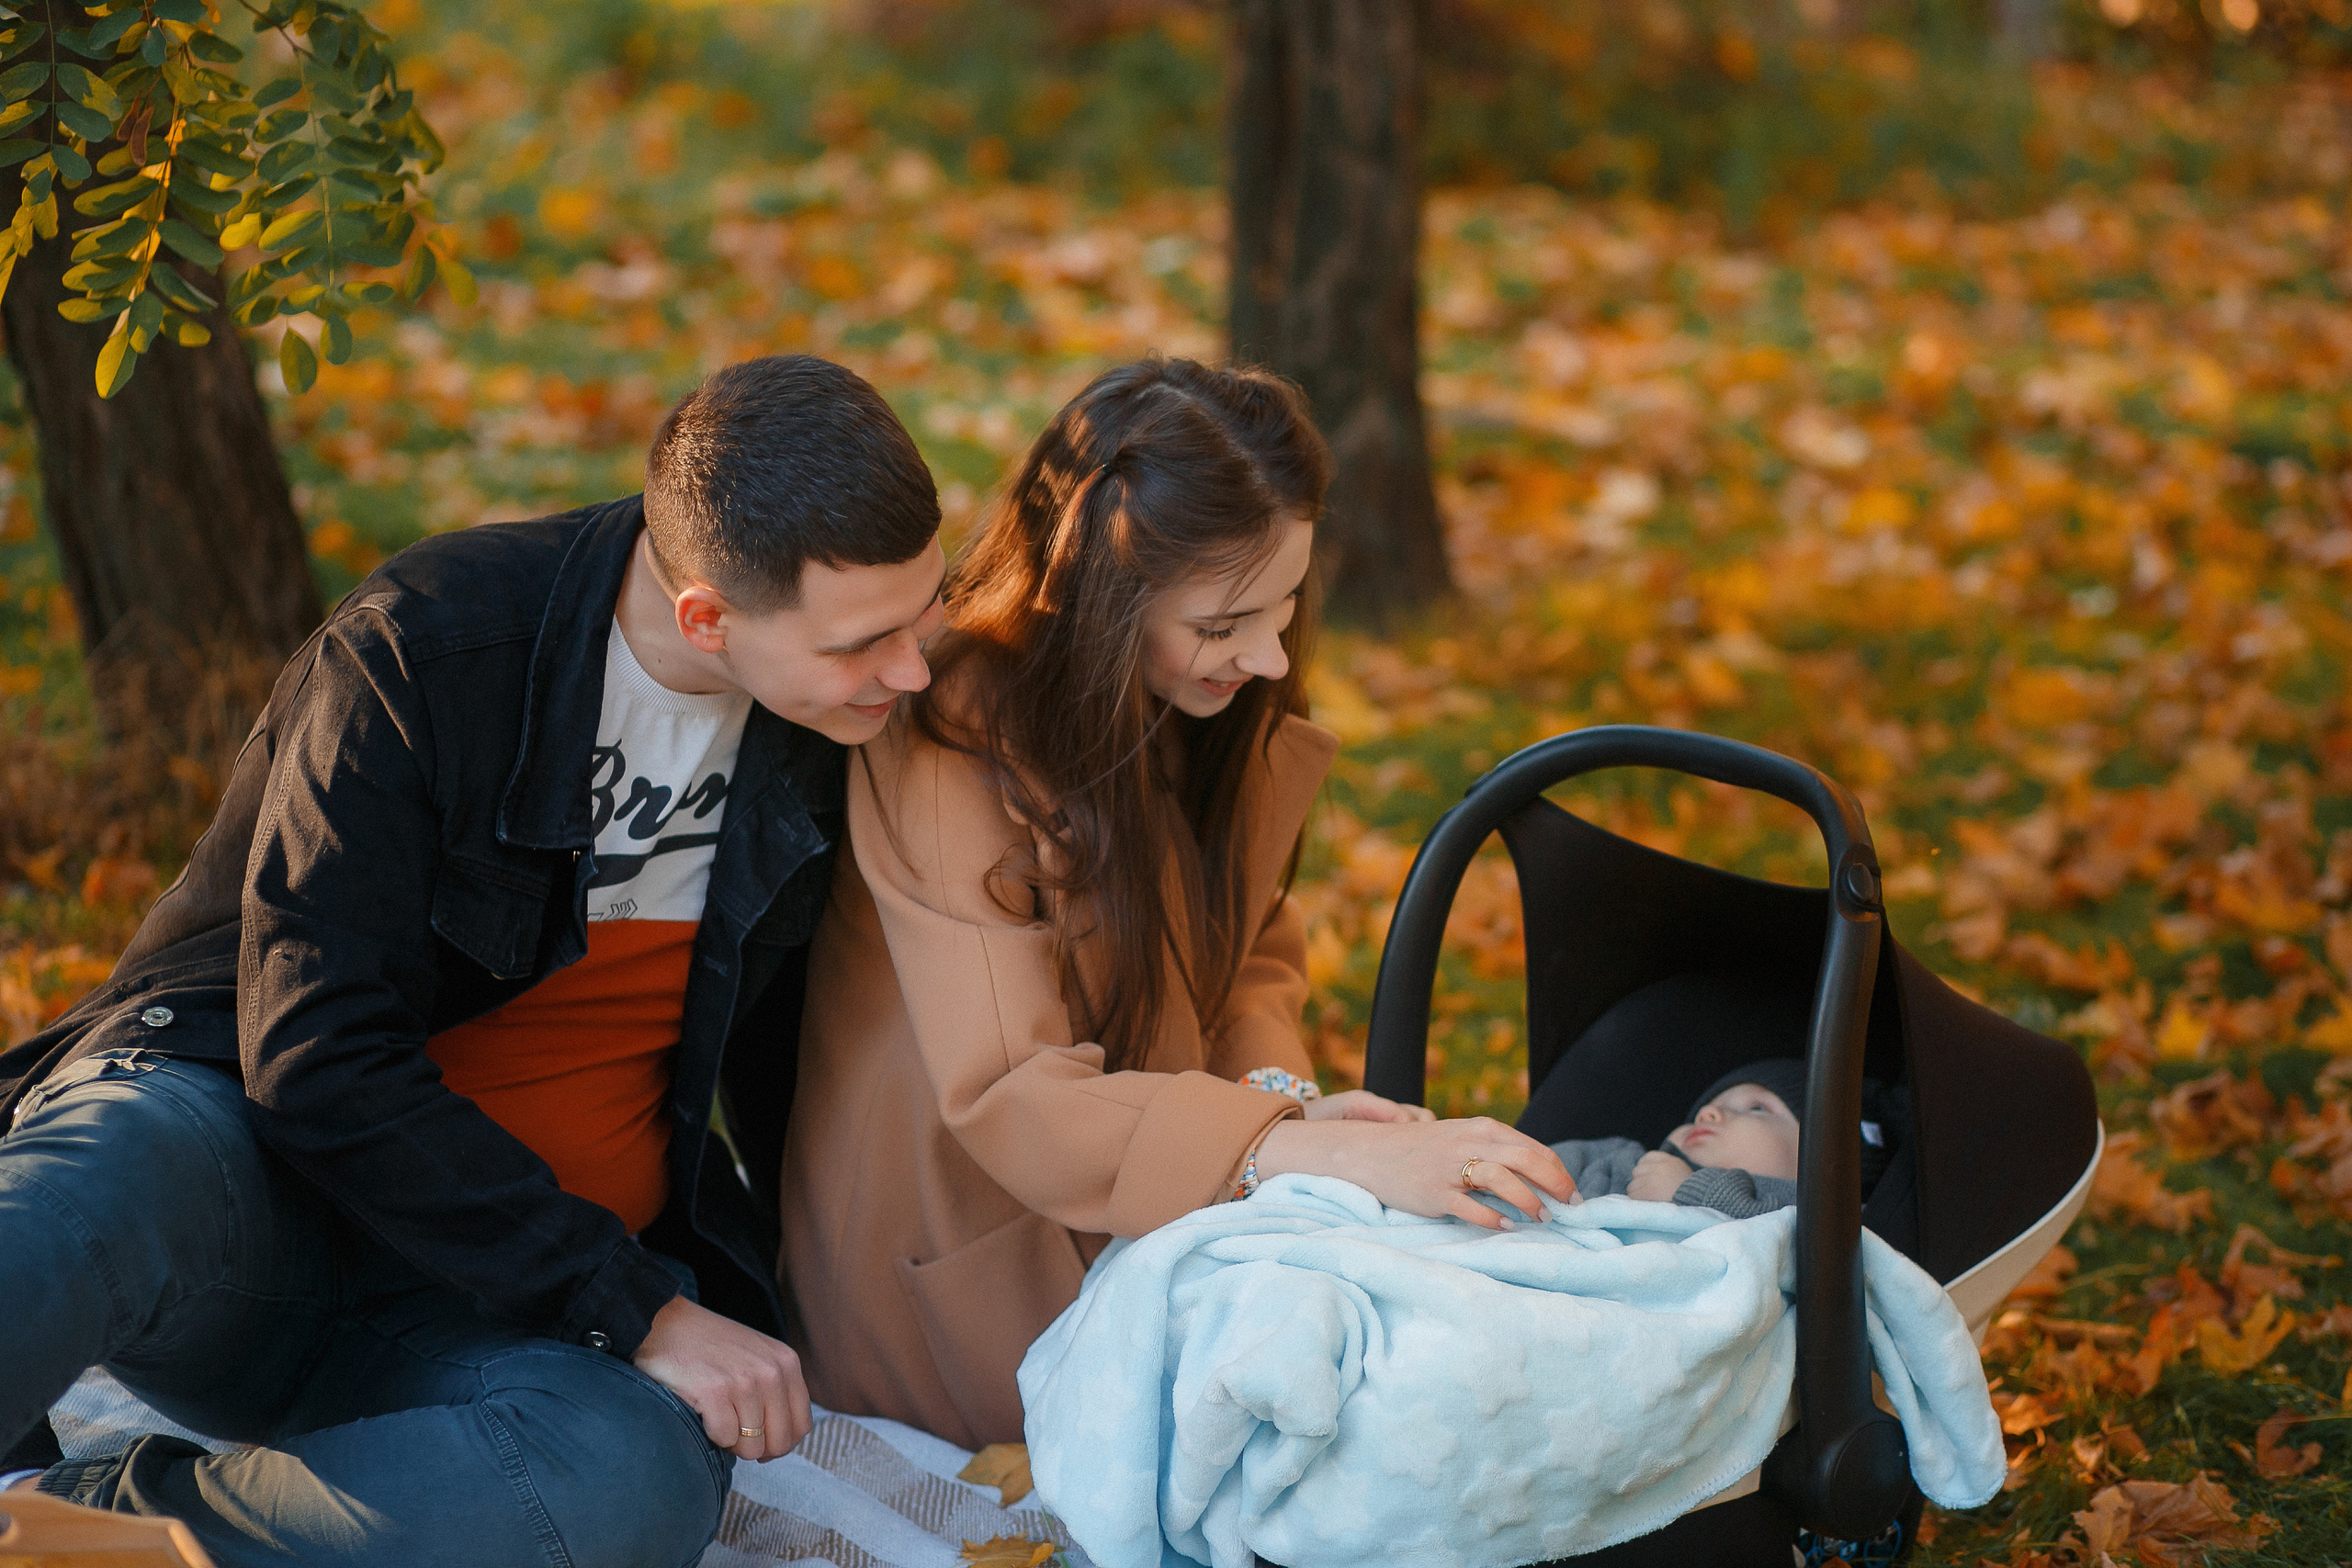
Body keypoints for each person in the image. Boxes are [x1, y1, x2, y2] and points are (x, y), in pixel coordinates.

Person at [0, 355, 946, 1568]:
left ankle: (69, 1526)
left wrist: (664, 1311)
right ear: (706, 613)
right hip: (249, 1208)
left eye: (921, 615)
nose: (913, 670)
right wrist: (638, 1305)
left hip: (503, 1314)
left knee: (630, 1479)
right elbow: (315, 1051)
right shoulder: (432, 646)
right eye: (868, 640)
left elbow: (804, 1073)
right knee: (101, 1161)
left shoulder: (832, 726)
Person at [778, 356, 1574, 1450]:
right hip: (969, 1258)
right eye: (1224, 623)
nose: (1269, 653)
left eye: (1286, 604)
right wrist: (1295, 1149)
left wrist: (1276, 1100)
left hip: (1170, 1190)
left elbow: (1249, 948)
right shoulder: (949, 743)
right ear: (1101, 605)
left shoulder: (1197, 698)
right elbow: (1012, 1095)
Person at [1548, 1059, 1899, 1218]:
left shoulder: (1813, 1215)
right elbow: (1544, 1164)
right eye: (1709, 1107)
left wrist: (1689, 1192)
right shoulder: (1623, 1160)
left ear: (1825, 1163)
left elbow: (1795, 1249)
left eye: (1757, 1108)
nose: (1708, 1113)